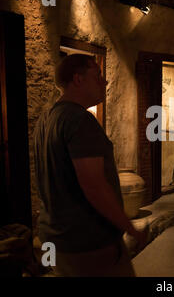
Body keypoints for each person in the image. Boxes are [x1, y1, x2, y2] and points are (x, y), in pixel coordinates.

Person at [33, 54, 146, 277]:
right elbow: (94, 186)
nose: (104, 82)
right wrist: (130, 228)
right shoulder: (79, 120)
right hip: (87, 245)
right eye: (98, 75)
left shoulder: (45, 120)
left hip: (54, 239)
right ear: (78, 79)